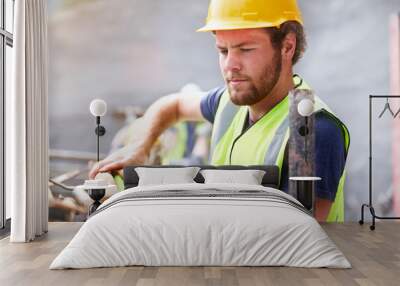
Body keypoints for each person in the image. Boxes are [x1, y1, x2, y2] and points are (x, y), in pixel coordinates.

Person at [89, 0, 350, 222]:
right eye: (223, 51)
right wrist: (140, 146)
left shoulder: (314, 130)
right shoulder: (228, 103)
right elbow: (174, 104)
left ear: (287, 46)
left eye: (245, 50)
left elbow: (298, 236)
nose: (230, 65)